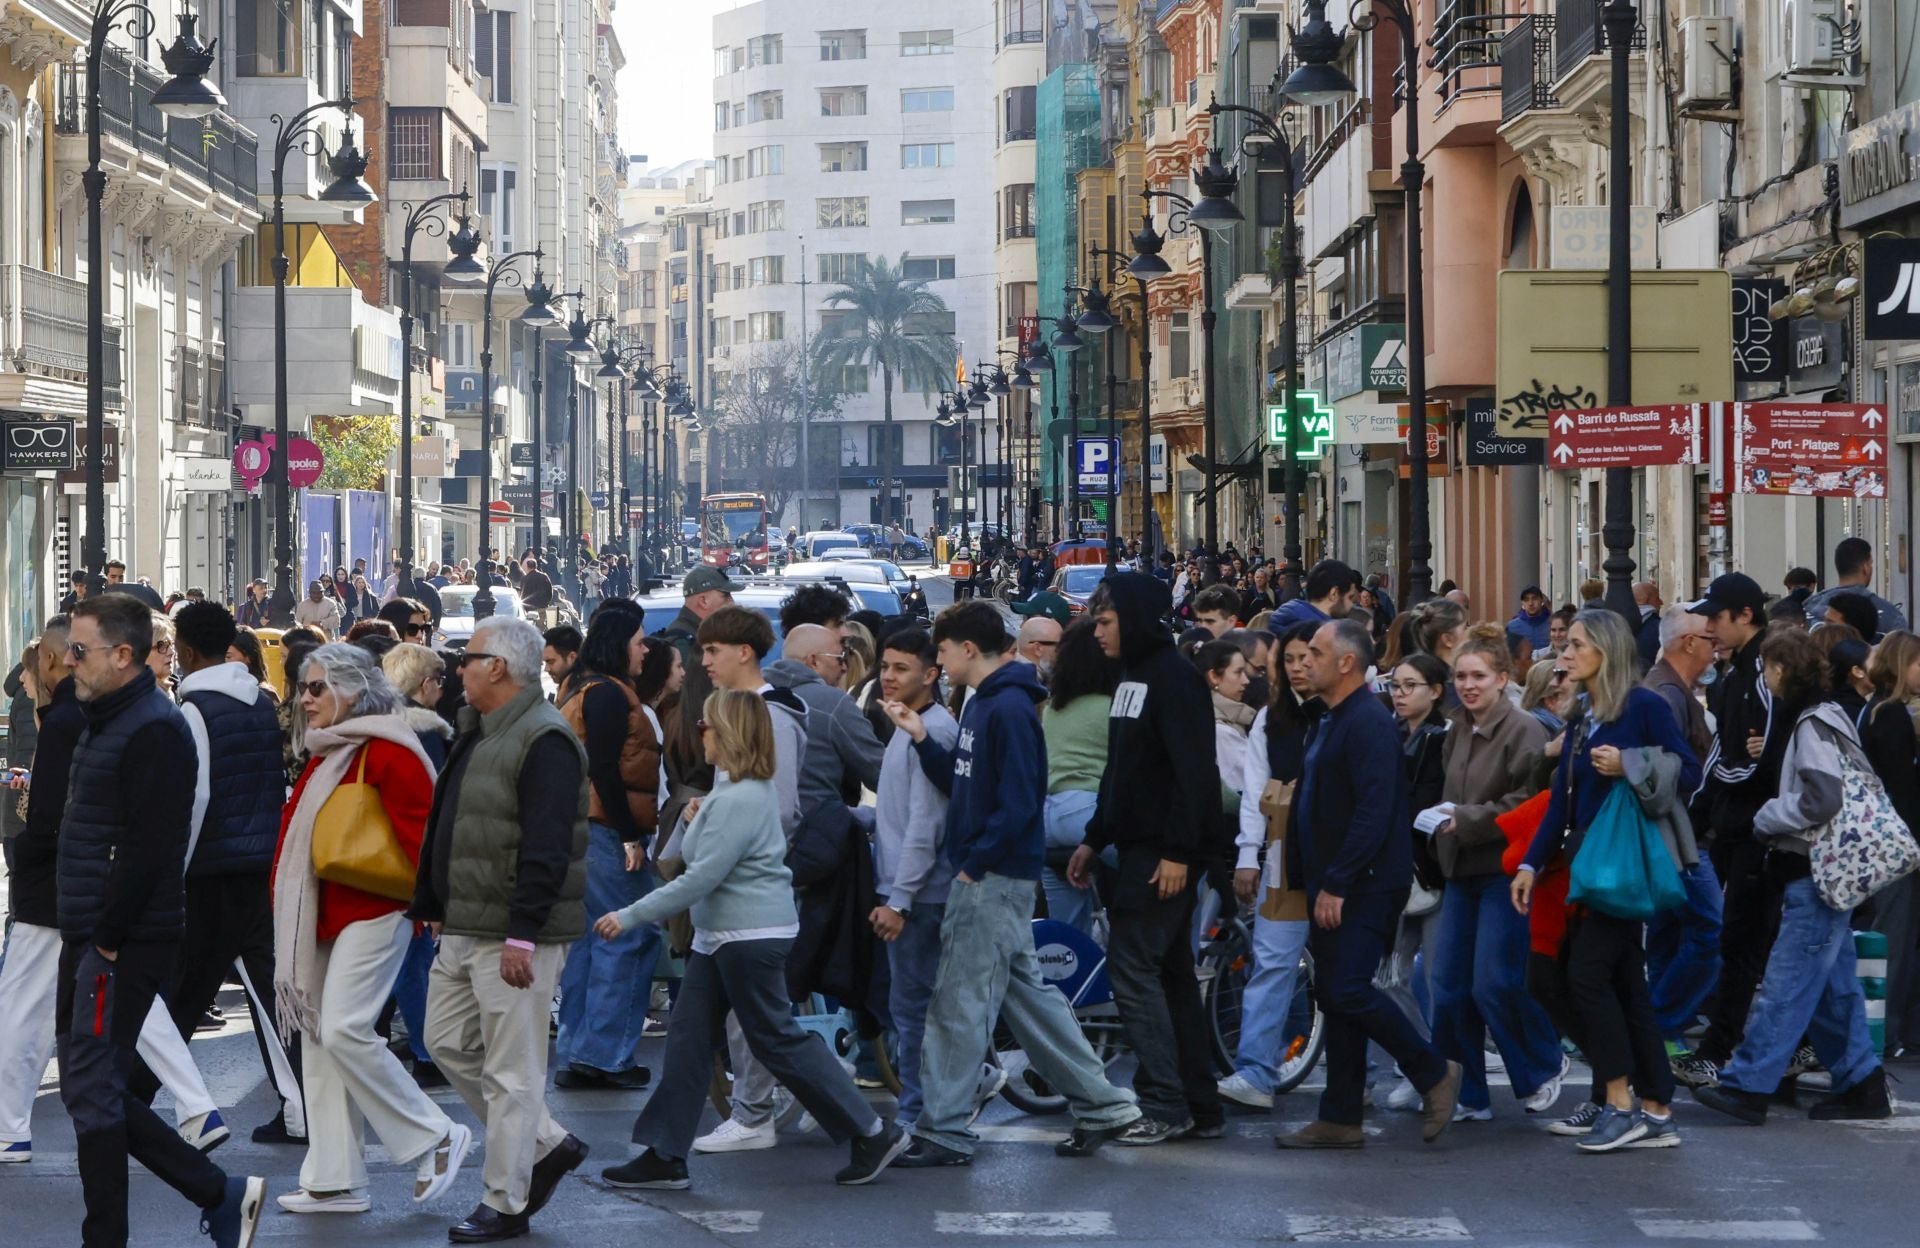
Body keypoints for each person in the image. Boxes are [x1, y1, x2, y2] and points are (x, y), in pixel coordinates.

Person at [594, 690, 909, 1189]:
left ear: (731, 734)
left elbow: (698, 878)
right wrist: (700, 817)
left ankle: (869, 1130)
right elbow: (699, 859)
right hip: (722, 936)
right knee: (691, 1039)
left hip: (749, 936)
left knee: (774, 1038)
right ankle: (665, 1153)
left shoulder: (740, 798)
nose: (701, 734)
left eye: (707, 726)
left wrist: (629, 915)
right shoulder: (732, 792)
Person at [886, 601, 1143, 1165]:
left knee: (956, 1003)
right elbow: (968, 785)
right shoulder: (991, 704)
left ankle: (945, 1130)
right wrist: (925, 743)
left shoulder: (1004, 709)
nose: (941, 660)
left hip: (993, 875)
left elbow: (1020, 802)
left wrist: (974, 863)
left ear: (968, 650)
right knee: (1031, 1003)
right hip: (996, 871)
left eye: (945, 651)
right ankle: (1106, 1107)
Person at [50, 596, 266, 1247]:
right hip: (98, 934)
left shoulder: (152, 727)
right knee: (96, 1088)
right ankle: (204, 1196)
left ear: (122, 655)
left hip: (118, 940)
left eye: (80, 649)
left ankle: (197, 1198)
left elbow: (149, 848)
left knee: (95, 1087)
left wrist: (109, 941)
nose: (68, 659)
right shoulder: (115, 717)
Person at [0, 618, 229, 1165]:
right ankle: (197, 1107)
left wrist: (24, 851)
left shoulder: (64, 722)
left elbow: (54, 817)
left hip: (54, 887)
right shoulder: (121, 716)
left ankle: (10, 1126)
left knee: (19, 1008)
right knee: (124, 1005)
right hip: (94, 883)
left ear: (53, 663)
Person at [268, 644, 470, 1214]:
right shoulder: (333, 748)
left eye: (316, 688)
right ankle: (334, 1178)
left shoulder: (386, 748)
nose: (304, 700)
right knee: (319, 1034)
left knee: (345, 1029)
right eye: (303, 689)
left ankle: (434, 1134)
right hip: (331, 914)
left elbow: (424, 834)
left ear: (353, 689)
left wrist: (436, 908)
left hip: (378, 908)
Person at [408, 616, 590, 1244]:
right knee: (446, 1041)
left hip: (514, 933)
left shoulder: (544, 738)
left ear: (500, 668)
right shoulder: (479, 729)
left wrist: (522, 934)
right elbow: (453, 823)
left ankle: (504, 1201)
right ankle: (546, 1144)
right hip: (464, 922)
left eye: (468, 657)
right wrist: (434, 899)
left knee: (513, 1073)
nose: (458, 667)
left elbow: (546, 846)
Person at [1516, 610, 1701, 1151]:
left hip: (1621, 867)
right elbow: (1562, 801)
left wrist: (1631, 763)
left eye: (1575, 645)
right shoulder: (1583, 714)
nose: (1564, 655)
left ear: (1605, 649)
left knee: (1587, 977)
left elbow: (1688, 770)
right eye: (1565, 645)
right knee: (1625, 988)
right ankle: (1657, 1107)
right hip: (1585, 867)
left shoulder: (1641, 705)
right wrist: (1531, 863)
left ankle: (1621, 1101)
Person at [1693, 627, 1891, 1124]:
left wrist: (1771, 816)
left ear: (1782, 670)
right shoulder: (1824, 714)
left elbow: (1822, 798)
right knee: (1832, 987)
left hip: (1812, 869)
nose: (1765, 676)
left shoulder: (1809, 722)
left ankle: (1747, 1084)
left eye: (1768, 668)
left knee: (1787, 982)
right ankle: (1861, 1082)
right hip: (1824, 871)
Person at [1276, 619, 1461, 1150]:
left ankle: (1432, 1072)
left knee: (1347, 990)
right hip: (1333, 883)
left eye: (1314, 653)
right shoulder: (1331, 718)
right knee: (1336, 998)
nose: (1303, 661)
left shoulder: (1368, 724)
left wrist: (1336, 882)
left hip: (1364, 884)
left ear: (1346, 663)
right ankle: (1340, 1114)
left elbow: (1375, 811)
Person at [1068, 574, 1224, 1145]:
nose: (1096, 631)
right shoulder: (1132, 675)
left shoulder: (1172, 678)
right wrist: (1094, 836)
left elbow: (1194, 771)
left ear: (1132, 620)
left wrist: (1179, 851)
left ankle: (1164, 1102)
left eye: (1105, 622)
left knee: (1133, 970)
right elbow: (1123, 767)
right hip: (1137, 846)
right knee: (1171, 975)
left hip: (1163, 853)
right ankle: (1198, 1104)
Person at [141, 604, 304, 1145]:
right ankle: (300, 1105)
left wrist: (174, 868)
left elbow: (198, 795)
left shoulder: (192, 708)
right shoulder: (261, 702)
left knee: (177, 993)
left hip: (207, 869)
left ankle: (130, 1103)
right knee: (265, 992)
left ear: (185, 650)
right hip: (257, 865)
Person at [1427, 639, 1565, 1121]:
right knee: (1447, 987)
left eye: (1478, 676)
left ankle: (1543, 1065)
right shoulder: (1457, 729)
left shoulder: (1523, 729)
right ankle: (1468, 1093)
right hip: (1461, 867)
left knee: (1493, 983)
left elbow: (1529, 802)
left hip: (1505, 871)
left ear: (1503, 679)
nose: (1467, 685)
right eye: (1461, 677)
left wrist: (1464, 819)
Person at [1675, 572, 1785, 1090]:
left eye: (1717, 617)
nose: (1709, 627)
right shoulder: (1738, 671)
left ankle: (1719, 1050)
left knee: (1744, 942)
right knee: (1755, 944)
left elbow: (1762, 760)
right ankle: (1799, 1045)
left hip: (1761, 831)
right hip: (1740, 826)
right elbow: (1731, 752)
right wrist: (1702, 812)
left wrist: (1717, 793)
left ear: (1745, 616)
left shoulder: (1765, 670)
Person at [552, 608, 663, 1091]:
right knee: (628, 935)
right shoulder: (609, 696)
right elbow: (606, 770)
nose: (645, 649)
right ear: (620, 645)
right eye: (639, 641)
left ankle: (580, 1050)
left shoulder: (579, 688)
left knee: (589, 942)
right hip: (605, 831)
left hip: (580, 828)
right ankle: (605, 1054)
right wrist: (629, 835)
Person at [1215, 622, 1319, 1110]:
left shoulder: (1353, 715)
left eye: (1306, 657)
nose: (1297, 668)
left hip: (1340, 863)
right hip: (1281, 855)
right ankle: (1256, 1071)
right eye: (1289, 660)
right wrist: (1246, 855)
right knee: (1272, 962)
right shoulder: (1269, 721)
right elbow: (1255, 796)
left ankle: (1373, 1073)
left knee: (1355, 978)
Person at [865, 629, 958, 1128]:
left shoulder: (934, 730)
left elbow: (927, 827)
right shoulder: (909, 724)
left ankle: (920, 1116)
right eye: (885, 666)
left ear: (931, 674)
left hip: (920, 896)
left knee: (915, 1012)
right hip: (912, 890)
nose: (889, 676)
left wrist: (899, 902)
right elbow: (902, 815)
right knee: (915, 1009)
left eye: (901, 668)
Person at [1641, 608, 1721, 1054]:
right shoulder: (1666, 694)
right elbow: (1654, 769)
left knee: (1669, 933)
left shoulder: (1666, 688)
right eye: (1709, 639)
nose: (1715, 648)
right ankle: (1660, 1019)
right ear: (1689, 643)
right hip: (1680, 840)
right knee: (1709, 929)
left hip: (1673, 837)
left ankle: (1662, 1030)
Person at [1039, 619, 1121, 934]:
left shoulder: (1054, 707)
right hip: (1088, 814)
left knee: (1067, 940)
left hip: (1047, 822)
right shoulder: (1116, 706)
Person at [1804, 536, 1909, 634]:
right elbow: (1904, 650)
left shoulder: (1808, 608)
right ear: (1865, 568)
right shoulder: (1890, 615)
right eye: (1871, 563)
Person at [1267, 559, 1354, 634]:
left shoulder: (1278, 624)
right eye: (1350, 597)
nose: (1351, 605)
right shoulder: (1329, 638)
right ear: (1334, 594)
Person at [1506, 586, 1551, 664]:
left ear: (1541, 600)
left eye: (1534, 599)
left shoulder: (1553, 624)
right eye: (1526, 600)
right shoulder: (1512, 626)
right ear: (1522, 603)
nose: (1530, 603)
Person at [1014, 615, 1063, 680]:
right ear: (1038, 649)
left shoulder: (1009, 670)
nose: (1062, 650)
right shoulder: (1029, 683)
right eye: (1059, 645)